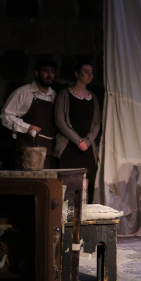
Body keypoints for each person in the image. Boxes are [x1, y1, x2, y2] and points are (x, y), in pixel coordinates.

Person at [54, 61, 101, 204]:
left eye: (91, 72)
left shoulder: (93, 97)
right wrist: (78, 141)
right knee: (67, 186)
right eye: (86, 71)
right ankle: (65, 215)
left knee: (85, 186)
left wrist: (87, 141)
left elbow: (97, 123)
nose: (89, 75)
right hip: (69, 147)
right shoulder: (64, 94)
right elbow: (60, 121)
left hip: (86, 149)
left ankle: (82, 214)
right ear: (77, 73)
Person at [0, 58, 57, 169]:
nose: (50, 75)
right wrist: (26, 127)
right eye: (46, 71)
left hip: (47, 150)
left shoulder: (54, 96)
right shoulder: (23, 92)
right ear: (37, 73)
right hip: (27, 148)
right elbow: (5, 116)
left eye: (52, 72)